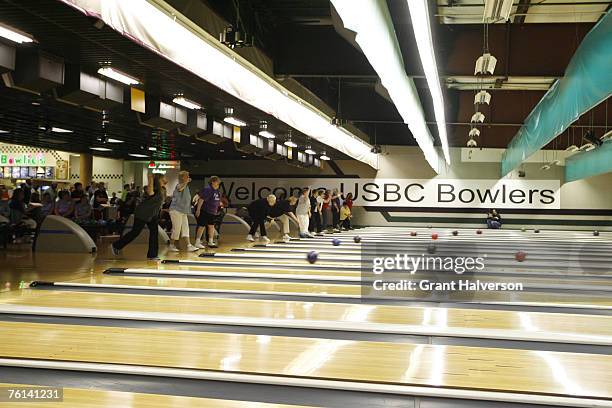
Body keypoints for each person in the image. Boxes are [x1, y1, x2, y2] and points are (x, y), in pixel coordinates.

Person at [111, 173, 167, 260]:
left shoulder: (162, 189)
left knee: (154, 233)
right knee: (135, 232)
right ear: (158, 180)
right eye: (162, 178)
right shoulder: (155, 188)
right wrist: (150, 179)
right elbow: (150, 192)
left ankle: (152, 255)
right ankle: (116, 245)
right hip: (143, 213)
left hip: (152, 215)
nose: (164, 180)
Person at [168, 171, 198, 252]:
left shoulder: (186, 186)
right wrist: (186, 182)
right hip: (176, 210)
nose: (188, 177)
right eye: (187, 176)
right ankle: (171, 245)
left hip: (183, 211)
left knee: (186, 228)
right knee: (176, 229)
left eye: (188, 175)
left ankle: (189, 245)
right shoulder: (179, 185)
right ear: (182, 177)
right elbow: (180, 188)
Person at [194, 176, 222, 249]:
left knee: (211, 226)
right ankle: (197, 242)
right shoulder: (208, 189)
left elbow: (217, 201)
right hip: (205, 210)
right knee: (202, 225)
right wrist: (198, 210)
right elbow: (201, 199)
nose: (219, 182)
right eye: (217, 181)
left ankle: (210, 241)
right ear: (212, 182)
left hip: (212, 212)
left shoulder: (217, 190)